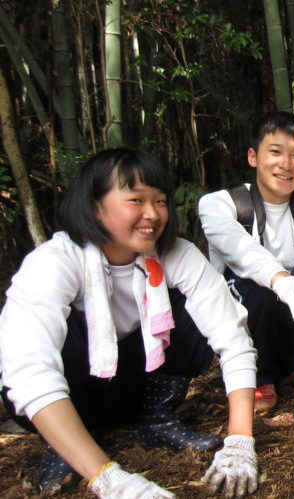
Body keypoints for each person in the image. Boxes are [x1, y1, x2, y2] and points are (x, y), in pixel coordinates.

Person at [0, 148, 259, 497]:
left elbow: (233, 336)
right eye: (135, 200)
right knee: (53, 339)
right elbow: (28, 375)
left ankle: (157, 418)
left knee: (195, 308)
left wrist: (240, 441)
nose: (152, 214)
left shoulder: (177, 255)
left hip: (135, 385)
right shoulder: (54, 263)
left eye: (160, 201)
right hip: (75, 394)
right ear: (94, 206)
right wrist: (109, 479)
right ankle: (64, 443)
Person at [199, 111, 294, 408]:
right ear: (253, 157)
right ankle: (257, 373)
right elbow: (241, 249)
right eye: (275, 152)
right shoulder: (219, 204)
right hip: (251, 323)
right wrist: (281, 281)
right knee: (249, 281)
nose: (286, 164)